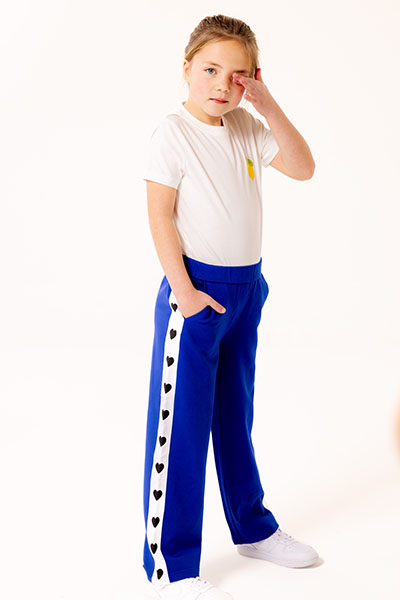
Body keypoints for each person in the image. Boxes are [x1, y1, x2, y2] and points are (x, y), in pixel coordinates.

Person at [142, 14, 318, 600]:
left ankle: (253, 528)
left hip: (246, 291)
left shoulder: (245, 125)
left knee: (235, 417)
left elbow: (303, 167)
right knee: (183, 426)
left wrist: (266, 103)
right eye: (211, 69)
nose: (222, 84)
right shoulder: (173, 133)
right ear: (187, 68)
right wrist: (186, 294)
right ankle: (173, 565)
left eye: (238, 75)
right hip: (197, 293)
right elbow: (160, 216)